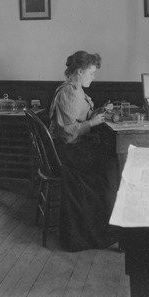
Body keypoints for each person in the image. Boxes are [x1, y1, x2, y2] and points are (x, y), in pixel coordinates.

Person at [49, 50, 118, 252]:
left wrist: (99, 112)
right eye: (91, 73)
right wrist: (92, 122)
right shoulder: (69, 92)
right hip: (67, 152)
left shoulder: (76, 89)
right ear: (79, 71)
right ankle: (95, 233)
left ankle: (103, 228)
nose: (93, 77)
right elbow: (67, 133)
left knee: (110, 162)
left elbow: (81, 116)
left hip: (74, 148)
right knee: (109, 169)